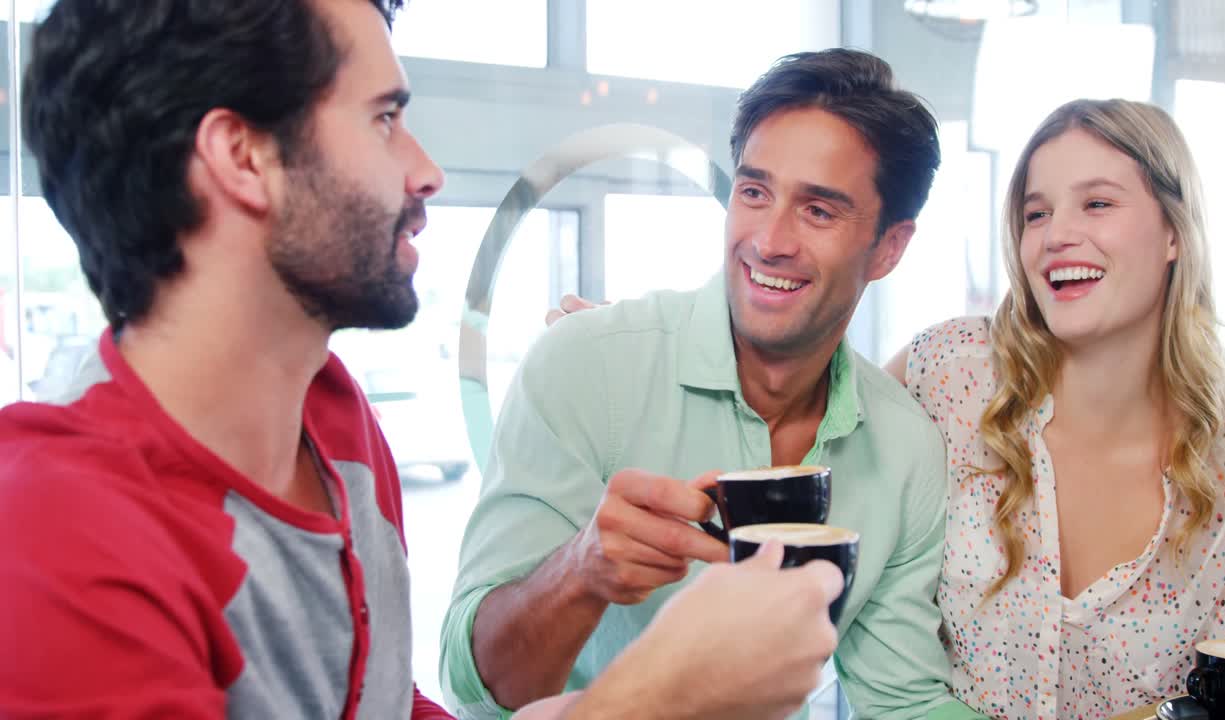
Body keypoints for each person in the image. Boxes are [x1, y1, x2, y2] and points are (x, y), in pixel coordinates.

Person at [0, 1, 846, 719]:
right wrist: (647, 698)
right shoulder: (53, 545)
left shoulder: (335, 425)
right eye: (384, 118)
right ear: (242, 158)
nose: (427, 170)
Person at [442, 49, 987, 720]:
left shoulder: (905, 448)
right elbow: (473, 688)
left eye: (818, 211)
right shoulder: (582, 366)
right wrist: (582, 571)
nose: (770, 240)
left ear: (888, 248)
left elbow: (903, 704)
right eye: (754, 192)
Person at [884, 99, 1225, 718]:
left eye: (1097, 203)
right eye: (1035, 213)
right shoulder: (947, 372)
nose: (1055, 235)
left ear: (1175, 232)